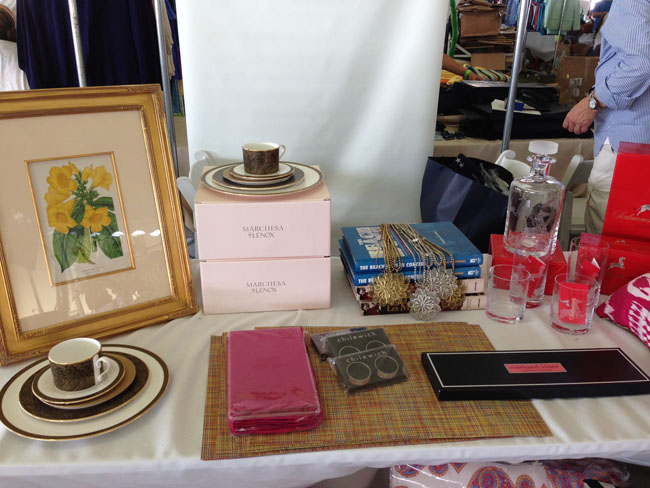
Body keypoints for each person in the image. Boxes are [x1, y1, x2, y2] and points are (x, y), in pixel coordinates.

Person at [562, 0, 650, 234]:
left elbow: (639, 65)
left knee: (609, 242)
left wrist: (594, 100)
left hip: (628, 141)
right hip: (639, 140)